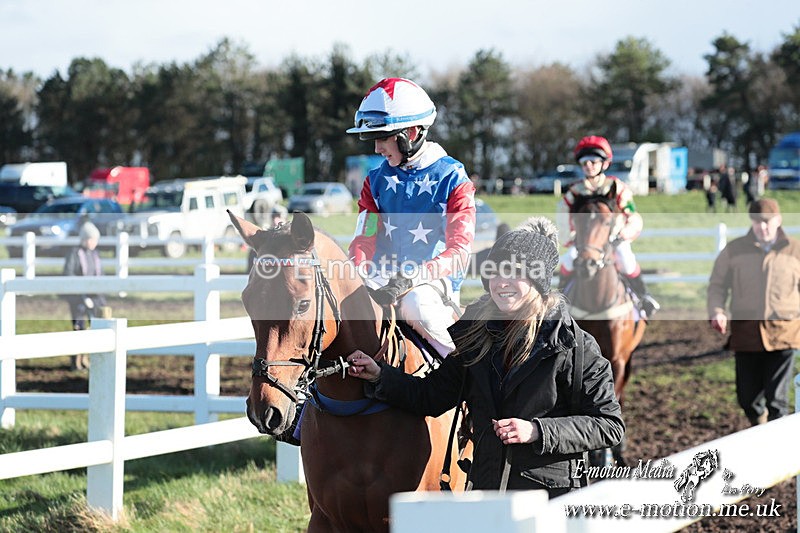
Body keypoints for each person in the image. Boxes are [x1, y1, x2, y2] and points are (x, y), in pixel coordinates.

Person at [347, 217, 624, 496]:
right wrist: (380, 375)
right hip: (486, 492)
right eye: (494, 273)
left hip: (550, 499)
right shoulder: (476, 338)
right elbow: (430, 395)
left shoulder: (575, 346)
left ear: (538, 281)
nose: (501, 283)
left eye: (514, 273)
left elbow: (609, 425)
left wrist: (537, 431)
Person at [347, 77, 476, 360]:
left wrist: (412, 277)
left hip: (432, 283)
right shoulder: (375, 180)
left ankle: (465, 378)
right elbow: (364, 237)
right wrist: (356, 271)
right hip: (381, 275)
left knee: (416, 305)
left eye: (382, 138)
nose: (377, 149)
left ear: (412, 132)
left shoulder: (453, 178)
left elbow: (459, 252)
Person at [707, 198, 800, 426]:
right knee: (747, 398)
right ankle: (760, 427)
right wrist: (717, 311)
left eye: (767, 222)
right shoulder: (734, 250)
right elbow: (717, 285)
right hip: (746, 335)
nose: (762, 227)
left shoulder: (796, 250)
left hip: (784, 335)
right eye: (757, 222)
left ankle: (778, 451)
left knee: (777, 400)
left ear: (778, 221)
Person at [556, 135, 660, 318]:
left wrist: (624, 233)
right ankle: (558, 304)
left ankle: (644, 297)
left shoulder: (617, 187)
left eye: (593, 162)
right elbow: (563, 215)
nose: (589, 166)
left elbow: (632, 215)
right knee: (568, 260)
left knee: (626, 260)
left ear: (604, 164)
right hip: (585, 242)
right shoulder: (575, 191)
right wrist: (569, 238)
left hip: (614, 240)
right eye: (584, 162)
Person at [63, 221, 107, 370]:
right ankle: (76, 360)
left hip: (95, 297)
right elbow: (69, 274)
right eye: (92, 239)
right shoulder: (75, 253)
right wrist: (82, 295)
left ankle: (87, 357)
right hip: (78, 298)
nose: (94, 242)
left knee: (94, 327)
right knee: (79, 327)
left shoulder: (95, 254)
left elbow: (100, 274)